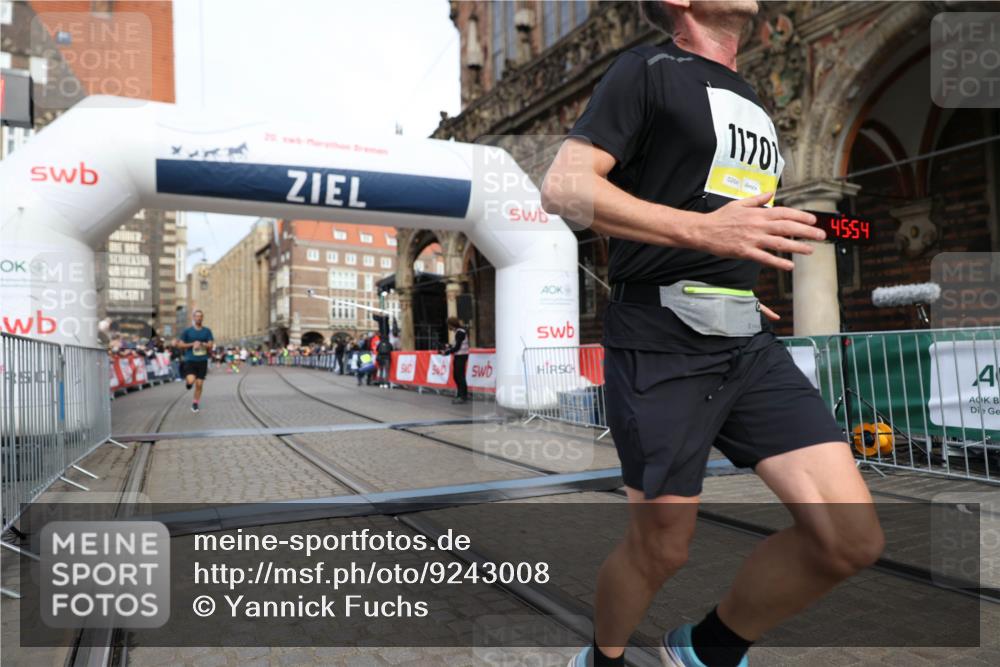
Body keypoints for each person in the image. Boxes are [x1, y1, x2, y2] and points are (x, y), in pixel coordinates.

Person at [541, 3, 884, 667]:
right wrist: (704, 235)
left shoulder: (751, 96)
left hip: (744, 338)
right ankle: (601, 660)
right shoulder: (645, 69)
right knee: (663, 546)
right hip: (659, 337)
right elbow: (564, 188)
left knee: (849, 536)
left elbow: (723, 206)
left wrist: (733, 275)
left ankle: (705, 651)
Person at [176, 310, 214, 413]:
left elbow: (210, 344)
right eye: (197, 316)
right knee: (191, 381)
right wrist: (192, 344)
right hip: (190, 359)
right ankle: (188, 383)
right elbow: (180, 345)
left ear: (202, 318)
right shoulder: (187, 331)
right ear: (193, 318)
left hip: (202, 360)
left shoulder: (207, 331)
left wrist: (203, 344)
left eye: (200, 316)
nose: (199, 318)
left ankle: (195, 403)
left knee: (200, 384)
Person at [441, 316, 469, 404]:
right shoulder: (458, 332)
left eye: (448, 324)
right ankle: (460, 394)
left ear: (451, 324)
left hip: (461, 356)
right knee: (456, 376)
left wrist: (446, 352)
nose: (448, 326)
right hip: (459, 356)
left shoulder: (460, 332)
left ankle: (462, 396)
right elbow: (455, 345)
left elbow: (457, 347)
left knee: (460, 376)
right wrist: (448, 346)